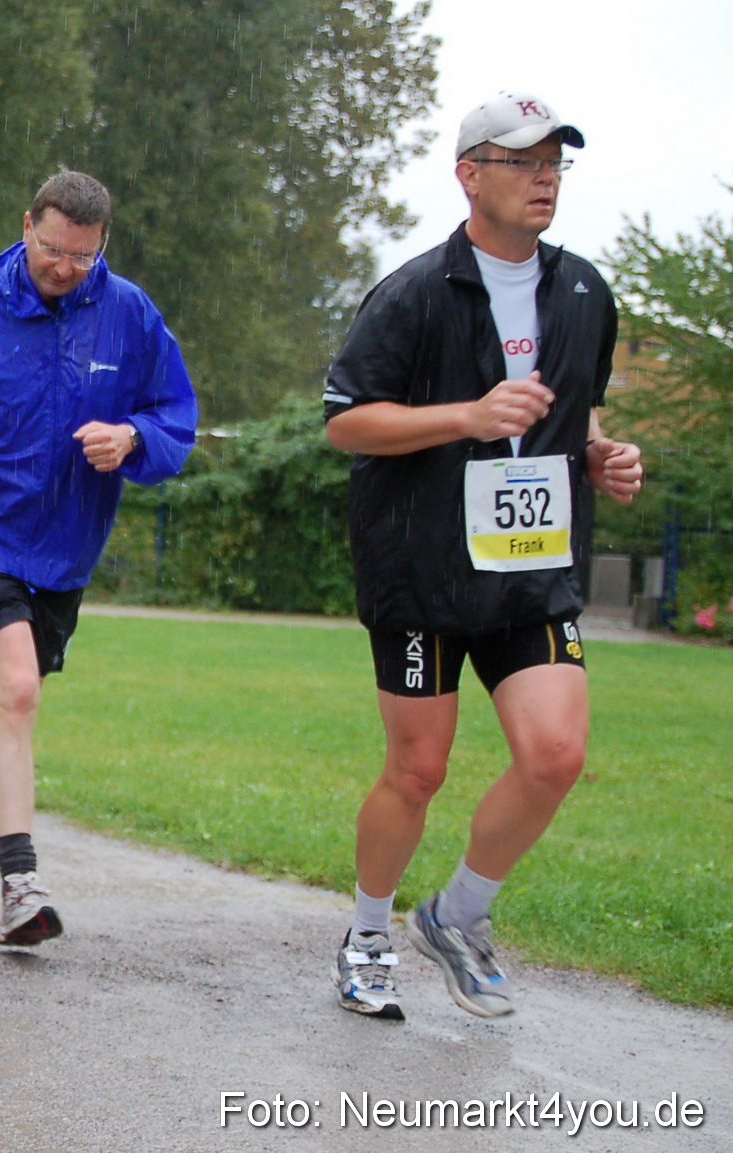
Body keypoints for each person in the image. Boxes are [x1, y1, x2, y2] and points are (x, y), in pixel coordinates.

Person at [323, 93, 643, 1022]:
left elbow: (571, 409)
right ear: (470, 174)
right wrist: (465, 415)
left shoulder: (584, 290)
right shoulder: (417, 291)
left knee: (556, 753)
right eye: (524, 161)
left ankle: (459, 914)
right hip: (421, 568)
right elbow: (347, 419)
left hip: (532, 566)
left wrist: (598, 451)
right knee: (417, 770)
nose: (545, 178)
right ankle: (369, 933)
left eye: (555, 162)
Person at [0, 170, 197, 948]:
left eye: (82, 255)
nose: (64, 267)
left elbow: (174, 411)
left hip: (66, 542)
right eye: (51, 249)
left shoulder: (129, 313)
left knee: (14, 700)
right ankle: (21, 880)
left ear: (101, 243)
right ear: (27, 225)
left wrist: (133, 437)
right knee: (15, 687)